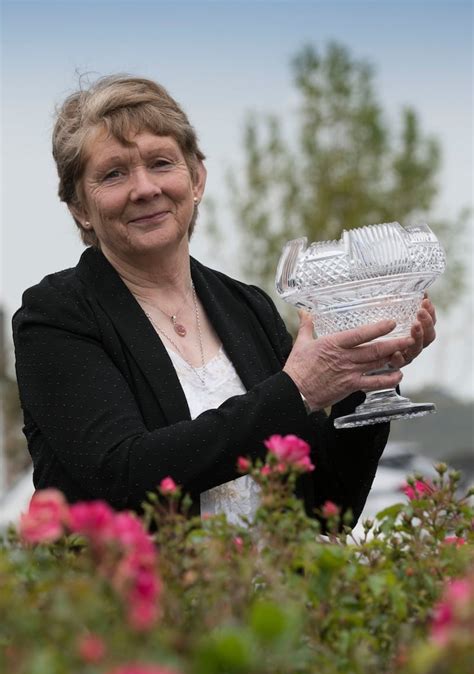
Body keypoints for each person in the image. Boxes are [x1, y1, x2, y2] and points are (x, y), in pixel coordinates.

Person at [12, 75, 436, 524]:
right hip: (132, 573)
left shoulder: (248, 308)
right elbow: (124, 474)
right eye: (114, 173)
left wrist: (365, 373)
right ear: (80, 207)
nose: (145, 188)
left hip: (271, 574)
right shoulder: (56, 317)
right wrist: (297, 391)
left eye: (160, 163)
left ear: (196, 179)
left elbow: (330, 503)